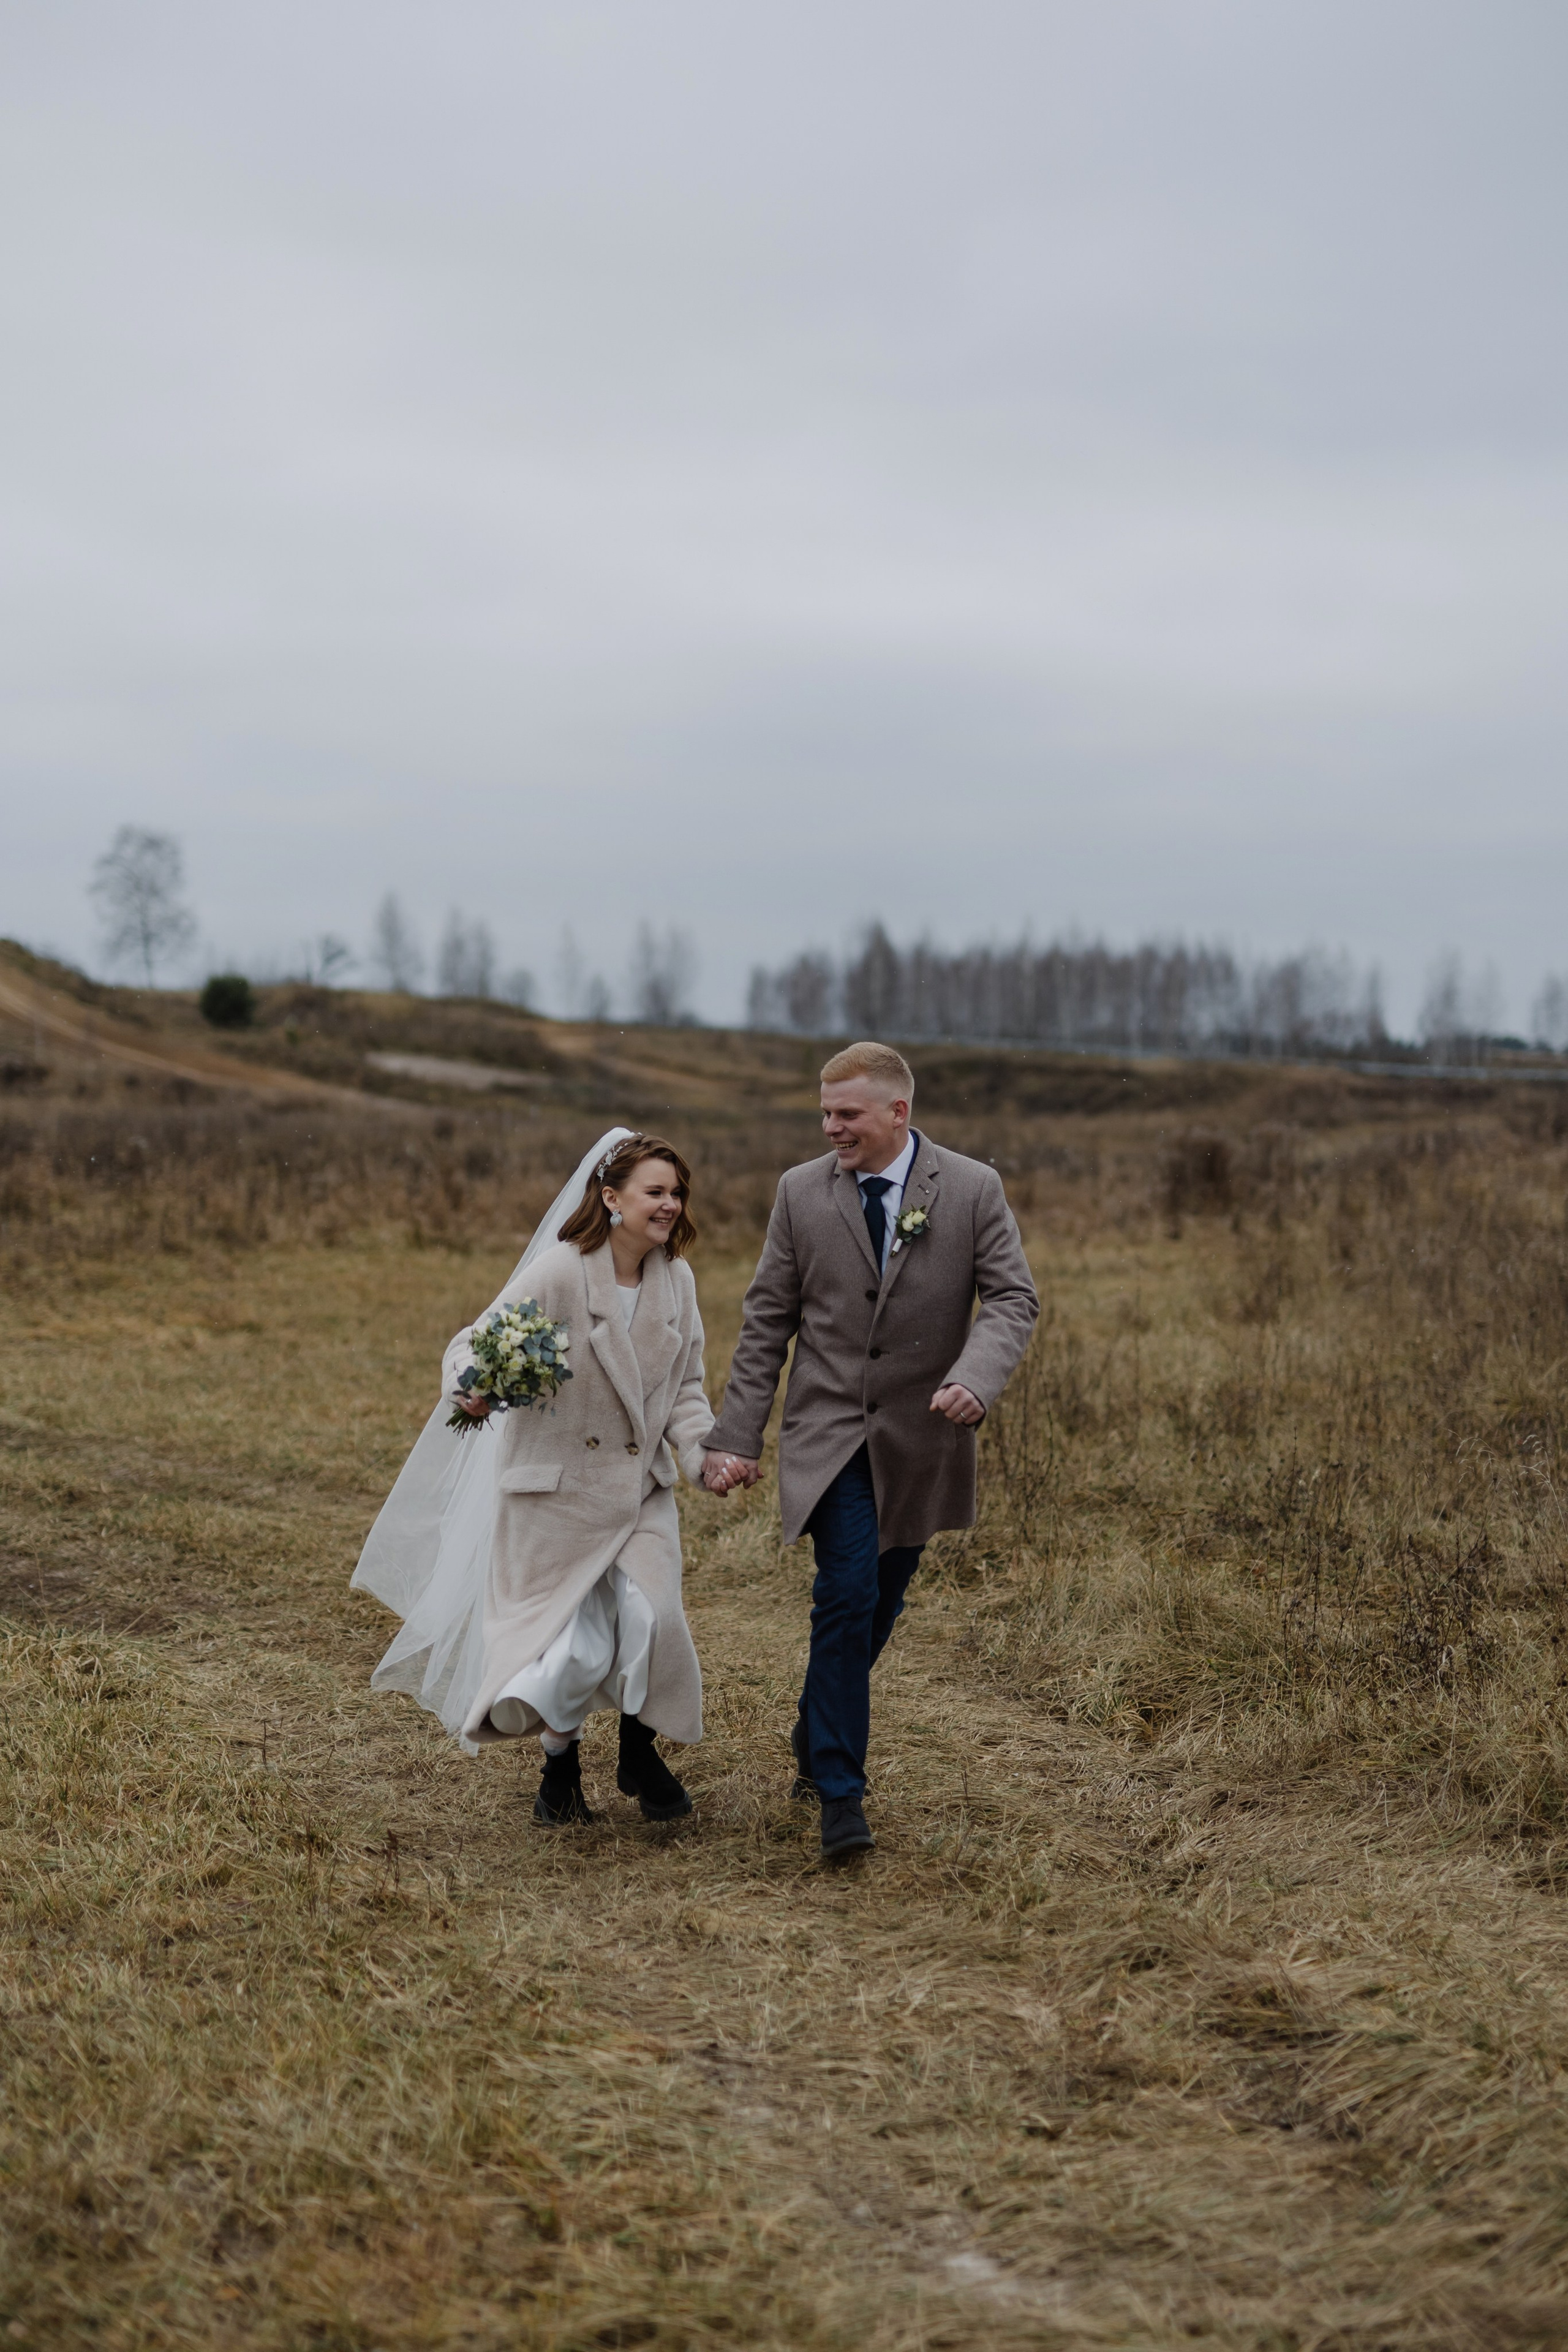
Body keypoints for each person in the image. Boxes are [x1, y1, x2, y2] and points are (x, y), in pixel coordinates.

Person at [701, 1042, 1039, 1860]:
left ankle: (816, 1727)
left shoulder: (970, 1190)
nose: (831, 1129)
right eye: (824, 1114)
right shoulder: (799, 1193)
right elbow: (767, 1324)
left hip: (922, 1437)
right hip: (828, 1434)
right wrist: (736, 1438)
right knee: (846, 1591)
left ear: (899, 1113)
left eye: (846, 1115)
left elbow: (1013, 1298)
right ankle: (840, 1795)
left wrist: (976, 1378)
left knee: (882, 1599)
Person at [352, 1129, 717, 1827]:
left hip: (639, 1491)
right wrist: (472, 1385)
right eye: (654, 1192)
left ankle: (638, 1753)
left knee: (653, 1618)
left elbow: (687, 1390)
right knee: (572, 1650)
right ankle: (560, 1773)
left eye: (676, 1193)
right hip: (556, 1493)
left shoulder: (679, 1281)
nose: (669, 1205)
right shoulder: (561, 1271)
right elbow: (473, 1343)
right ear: (611, 1198)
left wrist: (706, 1460)